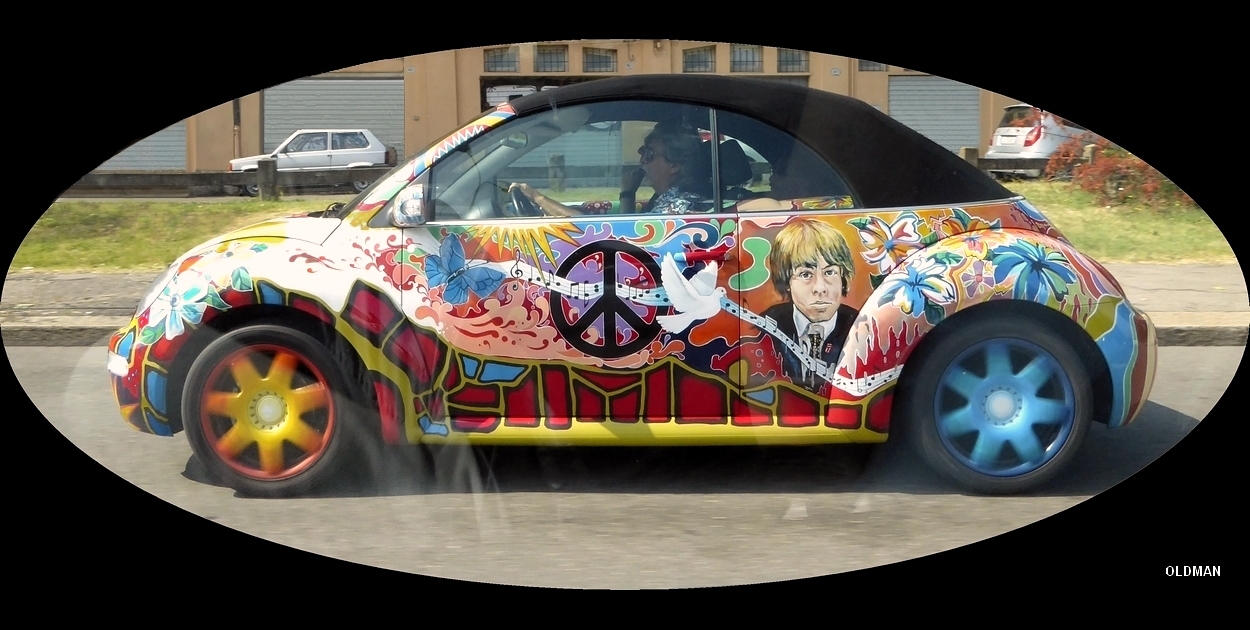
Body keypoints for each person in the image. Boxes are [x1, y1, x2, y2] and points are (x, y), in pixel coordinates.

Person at [509, 120, 712, 217]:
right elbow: (628, 228)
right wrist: (628, 193)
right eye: (643, 151)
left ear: (674, 165)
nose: (642, 160)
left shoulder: (677, 207)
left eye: (650, 154)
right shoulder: (663, 198)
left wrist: (538, 198)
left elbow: (586, 228)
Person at [760, 218, 860, 393]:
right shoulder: (763, 328)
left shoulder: (861, 328)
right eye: (805, 274)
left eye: (830, 272)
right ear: (787, 282)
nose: (820, 288)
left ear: (842, 277)